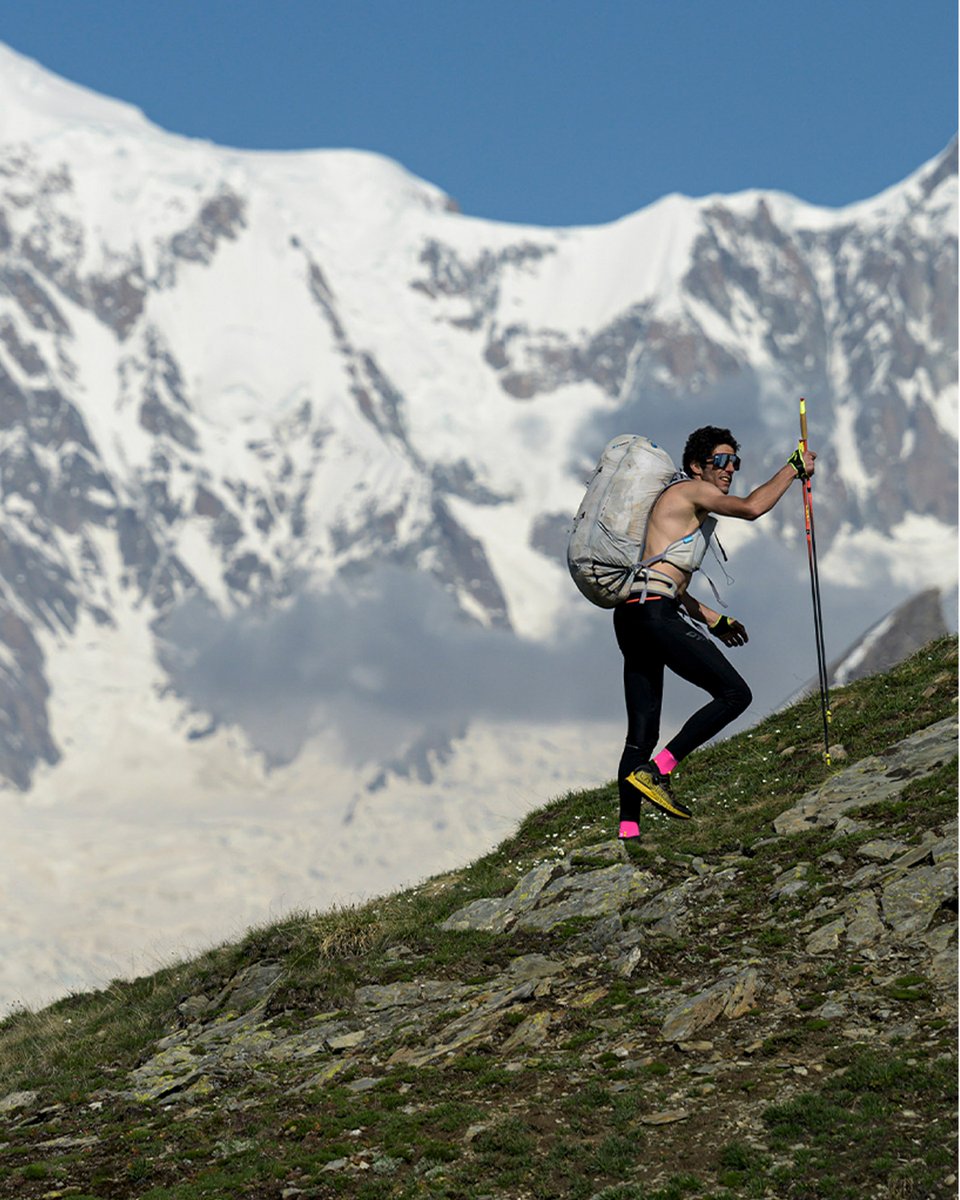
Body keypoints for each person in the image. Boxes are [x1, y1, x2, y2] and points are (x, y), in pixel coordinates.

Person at [616, 425, 816, 833]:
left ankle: (628, 834)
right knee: (735, 694)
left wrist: (713, 618)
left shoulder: (677, 504)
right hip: (655, 614)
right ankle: (661, 769)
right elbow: (751, 508)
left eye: (734, 462)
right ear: (696, 466)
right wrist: (792, 469)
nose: (729, 469)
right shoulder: (693, 490)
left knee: (641, 732)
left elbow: (664, 578)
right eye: (720, 461)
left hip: (634, 614)